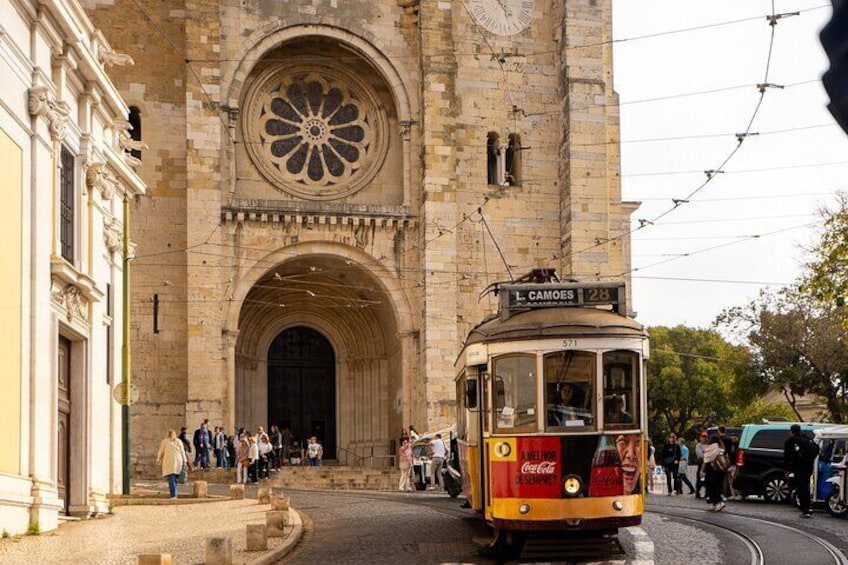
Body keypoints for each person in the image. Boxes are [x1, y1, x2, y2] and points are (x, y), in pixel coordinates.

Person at [785, 423, 819, 518]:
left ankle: (805, 508)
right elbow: (816, 450)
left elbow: (788, 457)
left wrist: (788, 469)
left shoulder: (791, 441)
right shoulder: (807, 438)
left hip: (799, 467)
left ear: (791, 432)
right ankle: (808, 507)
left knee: (801, 488)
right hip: (808, 467)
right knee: (805, 486)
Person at [156, 429, 188, 499]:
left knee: (171, 478)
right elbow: (183, 452)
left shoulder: (165, 441)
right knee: (174, 479)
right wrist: (184, 461)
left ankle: (174, 495)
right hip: (178, 462)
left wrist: (158, 459)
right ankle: (174, 494)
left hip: (169, 461)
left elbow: (161, 451)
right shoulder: (178, 441)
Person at [703, 434, 727, 512]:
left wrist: (702, 471)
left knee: (712, 486)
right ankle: (719, 502)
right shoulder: (721, 447)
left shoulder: (709, 448)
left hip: (711, 469)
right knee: (719, 486)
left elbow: (705, 460)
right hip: (721, 469)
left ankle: (717, 503)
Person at [694, 431, 708, 498]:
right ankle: (698, 492)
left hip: (707, 464)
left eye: (705, 437)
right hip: (701, 464)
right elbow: (700, 455)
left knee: (707, 479)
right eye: (703, 437)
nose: (704, 438)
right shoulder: (698, 445)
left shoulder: (708, 445)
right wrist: (706, 454)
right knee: (700, 478)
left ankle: (707, 493)